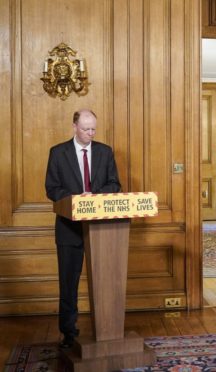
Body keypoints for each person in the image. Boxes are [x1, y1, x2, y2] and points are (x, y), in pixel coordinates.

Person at [45, 109, 121, 348]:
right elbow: (52, 188)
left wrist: (94, 197)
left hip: (102, 230)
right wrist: (77, 199)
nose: (91, 133)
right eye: (86, 129)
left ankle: (108, 328)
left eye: (93, 129)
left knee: (105, 280)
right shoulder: (58, 153)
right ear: (74, 127)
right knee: (69, 282)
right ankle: (68, 333)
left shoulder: (105, 152)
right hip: (69, 229)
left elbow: (114, 184)